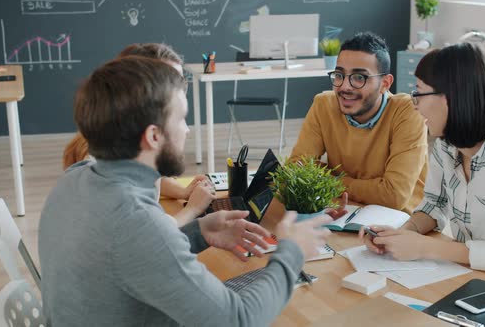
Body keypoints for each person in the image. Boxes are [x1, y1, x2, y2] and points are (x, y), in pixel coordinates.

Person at [39, 56, 332, 326]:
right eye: (181, 118)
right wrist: (291, 253)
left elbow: (127, 259)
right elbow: (239, 320)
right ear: (154, 136)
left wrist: (197, 232)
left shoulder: (72, 180)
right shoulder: (136, 222)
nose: (187, 130)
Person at [360, 42, 485, 275]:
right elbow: (434, 205)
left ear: (450, 97)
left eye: (419, 93)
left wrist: (426, 247)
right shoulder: (447, 144)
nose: (415, 106)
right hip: (471, 267)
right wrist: (402, 234)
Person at [62, 43, 214, 223]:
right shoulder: (103, 173)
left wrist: (182, 191)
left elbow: (145, 177)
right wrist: (192, 210)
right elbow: (146, 231)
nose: (177, 91)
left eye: (180, 82)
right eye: (168, 81)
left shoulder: (120, 147)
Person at [290, 32, 428, 215]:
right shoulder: (323, 104)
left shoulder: (408, 111)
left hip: (398, 224)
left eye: (359, 78)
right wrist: (368, 188)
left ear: (385, 84)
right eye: (339, 75)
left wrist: (327, 177)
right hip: (340, 212)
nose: (345, 87)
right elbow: (296, 171)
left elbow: (394, 196)